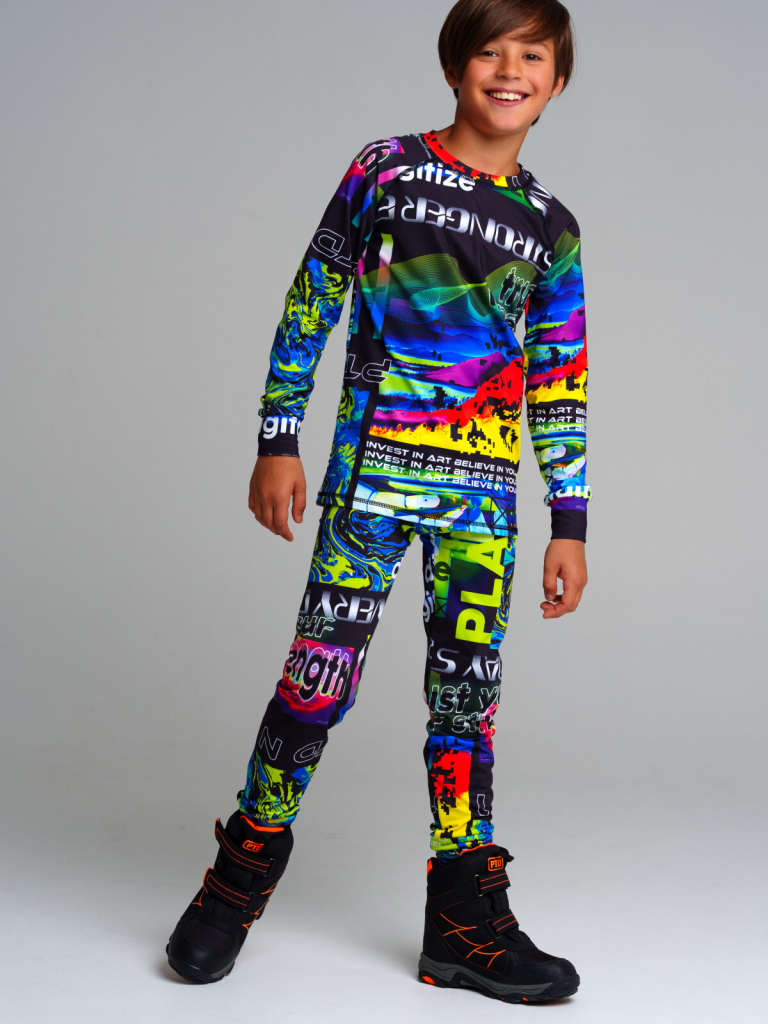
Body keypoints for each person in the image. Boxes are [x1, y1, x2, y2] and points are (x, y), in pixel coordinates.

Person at [167, 0, 589, 1004]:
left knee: (466, 704)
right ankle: (238, 876)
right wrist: (279, 436)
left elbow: (561, 375)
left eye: (532, 55)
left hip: (484, 510)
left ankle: (464, 923)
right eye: (489, 51)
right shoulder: (386, 168)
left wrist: (569, 519)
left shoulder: (553, 228)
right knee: (316, 683)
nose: (509, 69)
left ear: (557, 82)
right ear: (454, 67)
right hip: (369, 488)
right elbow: (313, 295)